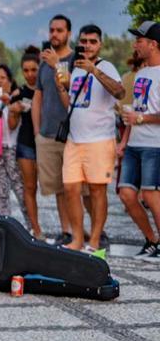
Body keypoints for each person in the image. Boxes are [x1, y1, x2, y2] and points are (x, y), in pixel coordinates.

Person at [60, 24, 124, 253]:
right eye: (84, 41)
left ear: (100, 44)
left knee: (97, 191)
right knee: (70, 188)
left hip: (99, 139)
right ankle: (77, 238)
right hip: (74, 139)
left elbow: (120, 92)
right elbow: (72, 104)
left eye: (92, 41)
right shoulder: (75, 68)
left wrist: (94, 70)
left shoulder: (106, 66)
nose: (87, 45)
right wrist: (62, 86)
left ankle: (95, 241)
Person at [118, 21, 160, 259]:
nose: (135, 45)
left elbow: (143, 115)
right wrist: (124, 141)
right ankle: (152, 240)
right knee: (126, 194)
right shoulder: (141, 73)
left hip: (155, 145)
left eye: (139, 40)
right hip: (134, 143)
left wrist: (141, 118)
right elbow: (135, 111)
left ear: (153, 44)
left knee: (152, 196)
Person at [34, 14, 77, 244]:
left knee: (79, 188)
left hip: (73, 134)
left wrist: (56, 65)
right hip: (48, 134)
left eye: (59, 30)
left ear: (69, 33)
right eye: (52, 30)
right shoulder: (44, 63)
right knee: (59, 188)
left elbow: (71, 86)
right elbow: (38, 98)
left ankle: (91, 232)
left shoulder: (76, 60)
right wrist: (37, 131)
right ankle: (66, 230)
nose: (54, 34)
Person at [0, 64, 30, 225]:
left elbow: (14, 123)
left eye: (3, 78)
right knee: (0, 192)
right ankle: (5, 228)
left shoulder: (18, 98)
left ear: (10, 81)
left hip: (14, 149)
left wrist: (10, 103)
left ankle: (32, 227)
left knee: (21, 190)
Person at [13, 47, 44, 239]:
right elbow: (10, 123)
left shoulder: (47, 90)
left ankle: (69, 229)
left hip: (46, 142)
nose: (30, 74)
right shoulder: (19, 92)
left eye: (34, 70)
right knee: (30, 187)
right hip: (25, 143)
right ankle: (36, 229)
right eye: (26, 70)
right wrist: (13, 110)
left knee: (59, 187)